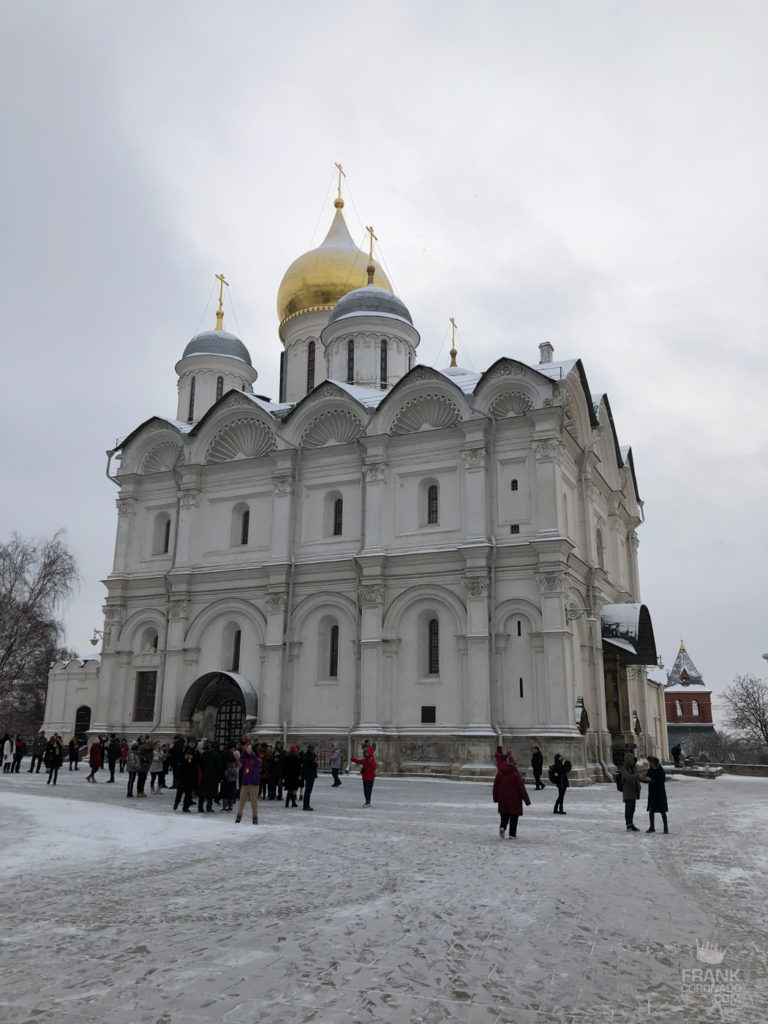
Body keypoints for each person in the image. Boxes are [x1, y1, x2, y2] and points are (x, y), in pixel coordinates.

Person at [493, 754, 531, 838]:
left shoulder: (500, 773)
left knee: (504, 814)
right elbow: (521, 788)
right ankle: (512, 834)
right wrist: (527, 800)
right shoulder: (516, 774)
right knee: (514, 816)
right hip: (515, 798)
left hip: (502, 797)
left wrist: (495, 798)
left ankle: (503, 827)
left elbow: (496, 785)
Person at [640, 756, 669, 834]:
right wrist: (643, 779)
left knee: (662, 811)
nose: (650, 764)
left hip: (660, 794)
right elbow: (647, 779)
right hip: (652, 794)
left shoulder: (661, 771)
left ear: (655, 763)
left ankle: (665, 828)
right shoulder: (650, 771)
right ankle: (652, 827)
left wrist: (651, 780)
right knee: (651, 810)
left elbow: (660, 782)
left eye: (651, 763)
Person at [235, 742, 262, 824]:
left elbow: (258, 764)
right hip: (245, 782)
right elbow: (240, 761)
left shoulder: (258, 759)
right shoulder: (245, 759)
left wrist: (252, 754)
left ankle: (255, 817)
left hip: (254, 783)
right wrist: (245, 752)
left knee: (254, 802)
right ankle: (239, 816)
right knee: (242, 801)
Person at [174, 737, 201, 812]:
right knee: (180, 791)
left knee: (189, 792)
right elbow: (178, 759)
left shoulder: (196, 751)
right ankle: (177, 802)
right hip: (183, 774)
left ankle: (186, 807)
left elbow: (199, 761)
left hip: (192, 774)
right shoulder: (183, 750)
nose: (192, 744)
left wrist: (193, 758)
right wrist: (184, 757)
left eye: (194, 743)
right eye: (191, 743)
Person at [617, 751, 642, 832]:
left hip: (633, 791)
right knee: (628, 808)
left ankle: (631, 824)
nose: (633, 761)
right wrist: (637, 776)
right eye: (632, 759)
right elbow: (629, 777)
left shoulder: (632, 767)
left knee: (632, 809)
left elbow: (634, 777)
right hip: (628, 791)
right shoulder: (623, 768)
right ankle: (628, 824)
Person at [197, 741, 220, 813]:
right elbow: (219, 767)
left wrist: (204, 770)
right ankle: (209, 807)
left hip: (205, 775)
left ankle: (200, 807)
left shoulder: (205, 754)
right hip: (213, 776)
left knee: (203, 793)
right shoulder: (217, 755)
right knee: (211, 793)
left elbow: (201, 763)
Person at [302, 744, 318, 811]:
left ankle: (306, 805)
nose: (315, 751)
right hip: (309, 775)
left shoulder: (307, 756)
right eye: (314, 750)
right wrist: (314, 757)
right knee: (308, 790)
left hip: (309, 775)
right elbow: (314, 764)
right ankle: (306, 805)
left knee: (308, 790)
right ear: (311, 750)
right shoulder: (309, 757)